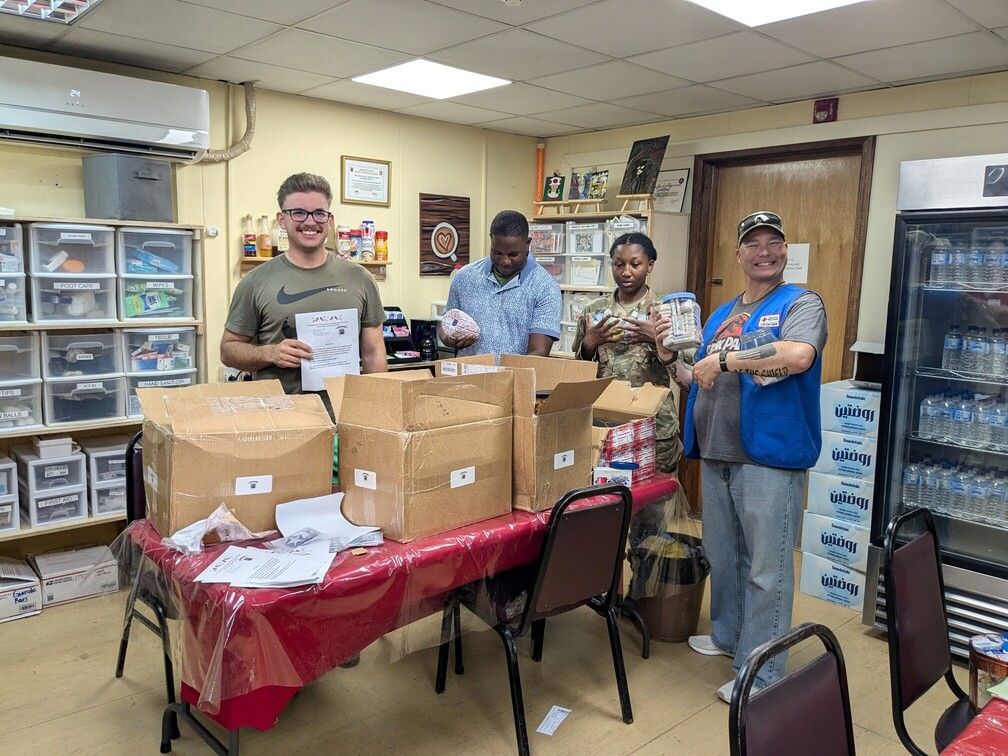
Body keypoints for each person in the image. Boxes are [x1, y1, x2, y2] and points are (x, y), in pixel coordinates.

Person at [655, 211, 827, 702]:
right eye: (754, 244)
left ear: (786, 250)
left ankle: (764, 672)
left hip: (768, 457)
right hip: (717, 451)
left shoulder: (802, 303)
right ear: (739, 255)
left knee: (766, 567)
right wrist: (670, 356)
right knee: (725, 556)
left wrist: (725, 359)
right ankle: (729, 635)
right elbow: (698, 379)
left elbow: (797, 357)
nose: (764, 251)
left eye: (774, 242)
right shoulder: (722, 313)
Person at [221, 172, 388, 405]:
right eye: (298, 212)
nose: (310, 222)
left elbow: (373, 353)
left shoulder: (360, 278)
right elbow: (228, 350)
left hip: (345, 416)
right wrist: (270, 353)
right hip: (282, 422)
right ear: (282, 220)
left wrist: (377, 409)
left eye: (319, 213)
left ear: (329, 221)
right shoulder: (255, 282)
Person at [572, 232, 681, 472]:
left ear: (650, 265)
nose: (626, 272)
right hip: (604, 423)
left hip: (653, 424)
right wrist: (590, 344)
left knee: (655, 501)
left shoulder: (666, 310)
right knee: (606, 502)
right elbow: (578, 368)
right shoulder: (594, 310)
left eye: (635, 264)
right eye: (619, 264)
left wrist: (657, 340)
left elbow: (688, 366)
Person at [440, 210, 562, 357]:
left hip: (513, 378)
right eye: (497, 253)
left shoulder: (545, 288)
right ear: (491, 239)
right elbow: (445, 328)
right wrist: (449, 339)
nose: (505, 261)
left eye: (513, 254)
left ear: (528, 243)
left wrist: (506, 378)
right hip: (467, 377)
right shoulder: (465, 278)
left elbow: (538, 353)